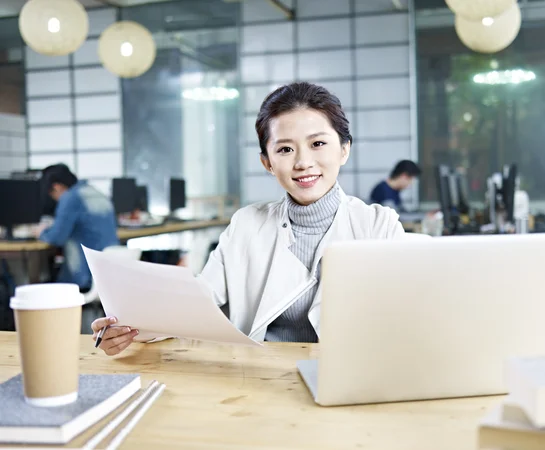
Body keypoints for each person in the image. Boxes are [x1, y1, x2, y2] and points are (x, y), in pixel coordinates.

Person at [91, 81, 409, 355]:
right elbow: (196, 303)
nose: (303, 162)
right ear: (267, 162)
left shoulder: (378, 226)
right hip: (258, 377)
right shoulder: (247, 224)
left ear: (344, 149)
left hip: (346, 378)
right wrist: (130, 326)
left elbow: (400, 322)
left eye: (318, 144)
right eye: (285, 149)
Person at [36, 164, 119, 290]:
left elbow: (57, 237)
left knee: (44, 283)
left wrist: (41, 232)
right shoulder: (95, 192)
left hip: (86, 274)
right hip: (112, 270)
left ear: (57, 187)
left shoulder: (70, 198)